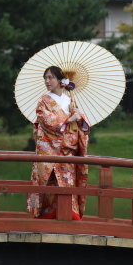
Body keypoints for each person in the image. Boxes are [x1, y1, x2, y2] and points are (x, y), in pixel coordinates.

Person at [27, 65, 90, 220]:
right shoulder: (43, 101)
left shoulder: (70, 100)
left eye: (51, 77)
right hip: (50, 150)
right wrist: (69, 119)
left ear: (61, 81)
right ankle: (47, 214)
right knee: (50, 185)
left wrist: (79, 117)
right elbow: (46, 121)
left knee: (68, 184)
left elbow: (83, 127)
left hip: (69, 151)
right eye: (45, 78)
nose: (47, 81)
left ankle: (70, 213)